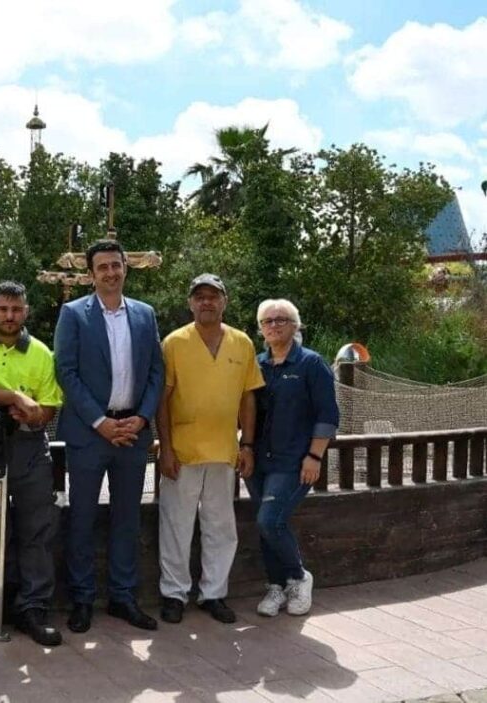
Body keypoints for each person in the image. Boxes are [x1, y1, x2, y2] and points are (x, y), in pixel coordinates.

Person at [54, 240, 163, 633]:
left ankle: (123, 597)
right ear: (91, 274)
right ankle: (82, 599)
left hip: (132, 433)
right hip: (89, 434)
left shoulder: (145, 314)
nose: (111, 272)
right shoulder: (73, 314)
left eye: (116, 265)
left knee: (127, 519)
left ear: (125, 269)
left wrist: (143, 417)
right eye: (102, 267)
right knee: (82, 518)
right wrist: (99, 421)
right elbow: (66, 372)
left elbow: (156, 372)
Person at [0, 281, 64, 647]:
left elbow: (48, 407)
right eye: (3, 308)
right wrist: (17, 398)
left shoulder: (42, 353)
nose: (9, 316)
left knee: (37, 529)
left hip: (30, 447)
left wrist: (33, 414)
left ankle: (33, 607)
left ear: (26, 312)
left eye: (16, 309)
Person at [156, 273, 264, 625]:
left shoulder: (242, 343)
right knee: (176, 525)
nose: (206, 302)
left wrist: (247, 444)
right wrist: (166, 448)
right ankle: (174, 594)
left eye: (213, 296)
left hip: (224, 450)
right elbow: (162, 399)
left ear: (224, 301)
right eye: (200, 296)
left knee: (220, 526)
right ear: (190, 303)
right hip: (182, 452)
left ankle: (213, 593)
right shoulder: (174, 342)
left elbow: (248, 397)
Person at [250, 299, 339, 617]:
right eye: (267, 321)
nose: (274, 325)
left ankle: (299, 577)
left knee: (269, 520)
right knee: (266, 525)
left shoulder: (311, 364)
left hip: (294, 461)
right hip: (259, 460)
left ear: (295, 325)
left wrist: (315, 455)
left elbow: (327, 414)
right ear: (260, 329)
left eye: (281, 320)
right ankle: (276, 586)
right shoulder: (256, 364)